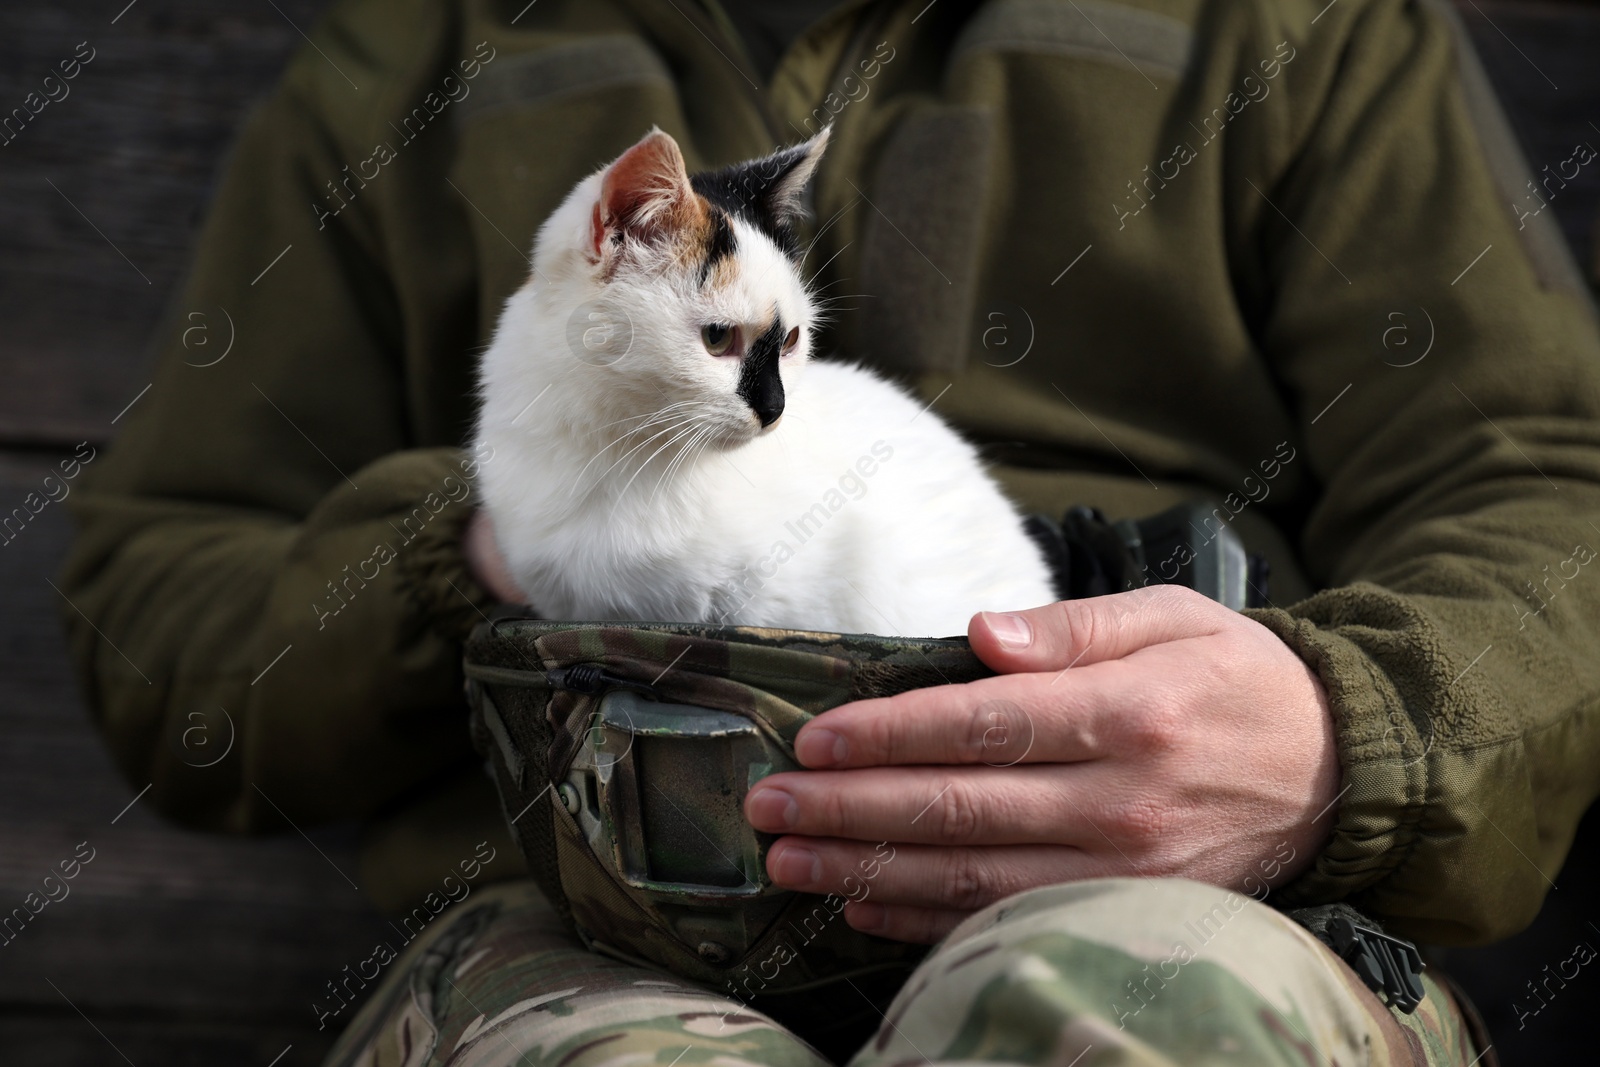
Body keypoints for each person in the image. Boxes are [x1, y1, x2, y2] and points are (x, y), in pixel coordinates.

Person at [59, 0, 1600, 1063]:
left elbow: (1547, 481)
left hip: (1177, 883)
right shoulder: (419, 50)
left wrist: (1340, 734)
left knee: (1124, 1020)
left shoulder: (1298, 31)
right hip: (580, 917)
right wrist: (481, 549)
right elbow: (162, 616)